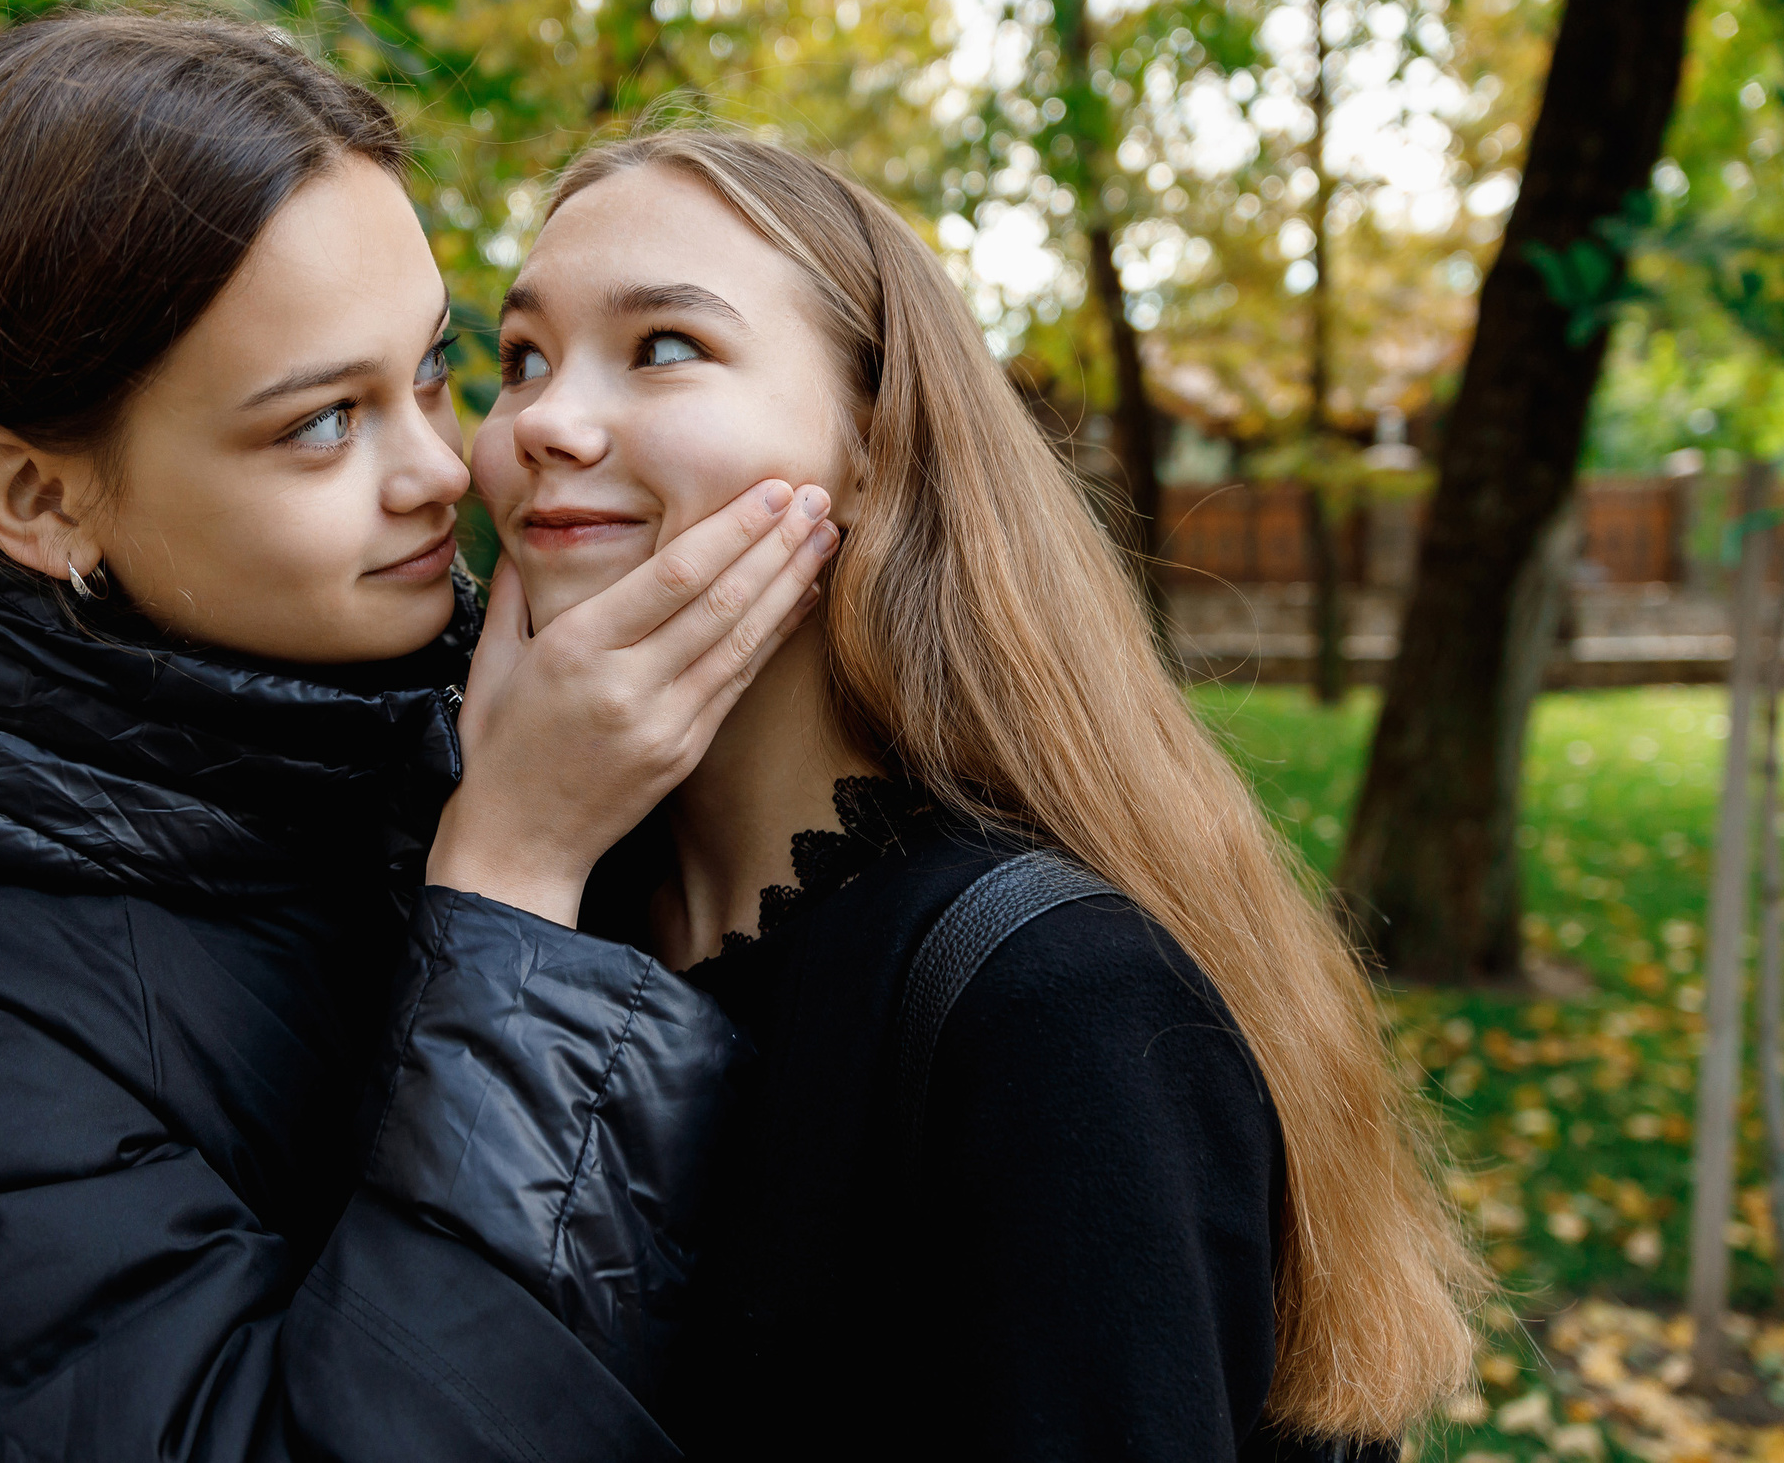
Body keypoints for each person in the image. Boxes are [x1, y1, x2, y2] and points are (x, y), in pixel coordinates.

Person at [0, 9, 839, 1462]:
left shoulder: (384, 720)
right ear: (41, 500)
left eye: (431, 369)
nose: (444, 467)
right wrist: (514, 879)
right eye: (321, 425)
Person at [467, 129, 1486, 1461]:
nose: (542, 421)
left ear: (875, 448)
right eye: (519, 359)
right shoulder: (534, 906)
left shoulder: (1049, 1005)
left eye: (663, 345)